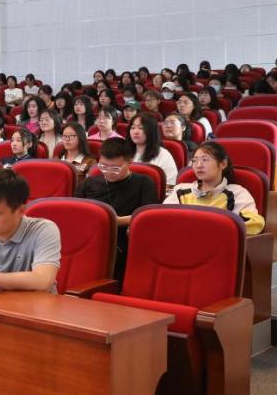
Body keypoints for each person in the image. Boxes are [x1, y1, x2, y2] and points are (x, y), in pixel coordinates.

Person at [75, 138, 158, 282]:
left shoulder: (144, 183)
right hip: (90, 236)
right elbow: (76, 213)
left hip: (125, 239)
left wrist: (116, 221)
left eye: (115, 168)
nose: (108, 172)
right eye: (103, 166)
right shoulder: (90, 183)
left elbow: (148, 217)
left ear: (129, 162)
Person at [163, 142, 264, 235]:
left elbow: (254, 224)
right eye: (194, 160)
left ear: (223, 164)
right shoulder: (180, 190)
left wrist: (208, 229)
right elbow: (165, 219)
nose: (198, 165)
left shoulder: (237, 194)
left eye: (205, 160)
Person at [126, 113, 178, 185]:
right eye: (133, 127)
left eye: (141, 128)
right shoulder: (124, 152)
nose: (135, 132)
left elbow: (170, 185)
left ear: (151, 131)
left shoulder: (163, 155)